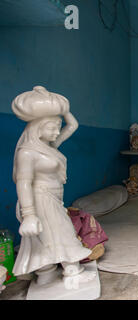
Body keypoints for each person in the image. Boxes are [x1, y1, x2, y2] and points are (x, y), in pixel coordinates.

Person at [12, 86, 95, 288]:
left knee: (48, 237)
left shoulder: (49, 147)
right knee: (61, 233)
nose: (57, 131)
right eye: (52, 127)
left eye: (58, 126)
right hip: (39, 199)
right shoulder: (27, 153)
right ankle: (71, 270)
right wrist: (29, 215)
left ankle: (46, 274)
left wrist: (61, 108)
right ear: (38, 127)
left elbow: (72, 125)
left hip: (53, 199)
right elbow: (23, 182)